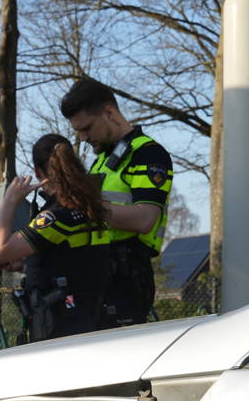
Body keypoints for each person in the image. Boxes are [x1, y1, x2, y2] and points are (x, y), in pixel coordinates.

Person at [0, 135, 162, 342]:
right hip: (89, 321)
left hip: (59, 329)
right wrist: (26, 264)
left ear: (38, 172)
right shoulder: (91, 211)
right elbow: (77, 262)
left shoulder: (57, 216)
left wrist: (9, 200)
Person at [59, 77, 173, 325]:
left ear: (109, 113)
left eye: (86, 128)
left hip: (127, 276)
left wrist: (86, 205)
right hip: (98, 274)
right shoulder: (102, 159)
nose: (83, 138)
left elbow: (145, 219)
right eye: (78, 131)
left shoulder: (147, 153)